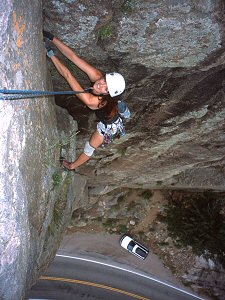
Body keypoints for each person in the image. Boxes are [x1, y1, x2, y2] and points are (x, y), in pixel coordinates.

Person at [43, 31, 130, 170]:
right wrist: (52, 38)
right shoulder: (98, 77)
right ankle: (123, 110)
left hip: (109, 125)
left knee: (89, 148)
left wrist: (50, 53)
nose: (101, 84)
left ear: (107, 94)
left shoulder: (92, 101)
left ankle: (71, 166)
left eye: (105, 88)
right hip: (114, 106)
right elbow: (74, 57)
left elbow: (68, 75)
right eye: (104, 80)